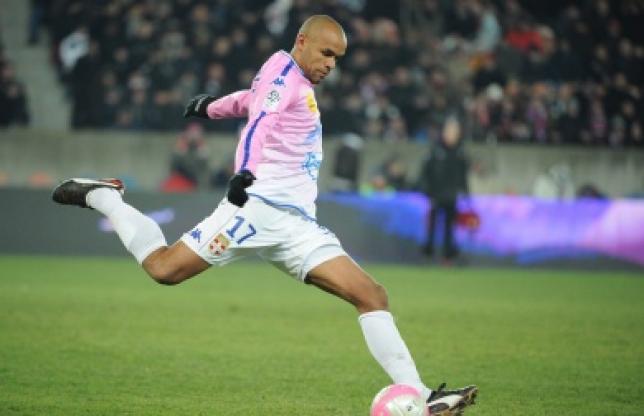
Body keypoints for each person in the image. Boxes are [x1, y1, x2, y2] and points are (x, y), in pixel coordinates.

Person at [52, 15, 477, 415]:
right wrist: (245, 171)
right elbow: (261, 121)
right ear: (302, 41)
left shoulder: (290, 79)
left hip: (297, 225)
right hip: (255, 211)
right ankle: (104, 198)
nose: (331, 65)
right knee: (164, 269)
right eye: (326, 53)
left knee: (372, 295)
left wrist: (212, 107)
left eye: (337, 58)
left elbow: (251, 101)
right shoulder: (284, 74)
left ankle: (422, 397)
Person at [418, 116, 470, 261]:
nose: (451, 134)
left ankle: (448, 256)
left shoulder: (460, 153)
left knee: (450, 226)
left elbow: (463, 175)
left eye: (454, 131)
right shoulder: (435, 151)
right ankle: (428, 254)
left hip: (452, 195)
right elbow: (426, 172)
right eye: (449, 131)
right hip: (436, 194)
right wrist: (427, 191)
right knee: (432, 225)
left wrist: (465, 193)